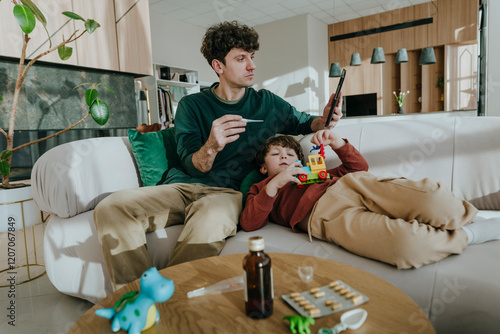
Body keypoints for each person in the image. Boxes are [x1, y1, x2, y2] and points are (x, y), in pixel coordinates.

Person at [93, 21, 343, 289]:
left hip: (228, 195)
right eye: (241, 58)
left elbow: (306, 123)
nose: (252, 65)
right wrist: (212, 145)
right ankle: (136, 299)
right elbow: (192, 164)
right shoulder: (192, 105)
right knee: (112, 207)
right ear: (218, 66)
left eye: (252, 57)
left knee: (210, 219)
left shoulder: (267, 103)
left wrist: (326, 118)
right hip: (182, 187)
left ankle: (172, 302)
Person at [240, 131, 500, 269]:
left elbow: (358, 166)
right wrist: (275, 183)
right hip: (326, 218)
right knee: (406, 246)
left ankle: (471, 216)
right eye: (276, 154)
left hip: (351, 185)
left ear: (301, 161)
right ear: (263, 168)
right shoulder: (262, 188)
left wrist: (337, 142)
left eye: (290, 153)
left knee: (434, 199)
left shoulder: (319, 173)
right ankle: (471, 234)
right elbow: (251, 223)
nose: (285, 157)